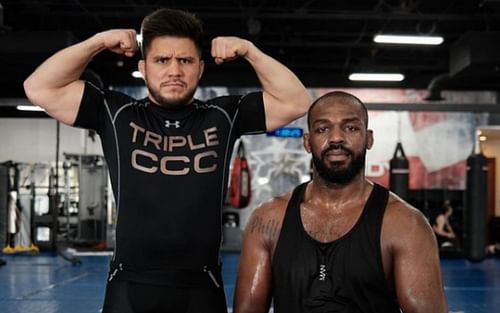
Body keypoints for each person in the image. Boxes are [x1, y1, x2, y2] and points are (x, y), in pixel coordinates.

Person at [23, 7, 311, 313]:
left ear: (200, 68)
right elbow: (39, 87)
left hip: (201, 287)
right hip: (129, 285)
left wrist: (250, 51)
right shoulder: (117, 113)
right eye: (162, 60)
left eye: (185, 60)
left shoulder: (223, 115)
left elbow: (296, 101)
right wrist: (97, 42)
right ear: (144, 68)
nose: (174, 71)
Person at [234, 91, 448, 313]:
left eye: (351, 128)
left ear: (369, 138)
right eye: (322, 129)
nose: (336, 138)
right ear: (308, 142)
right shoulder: (267, 219)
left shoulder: (406, 224)